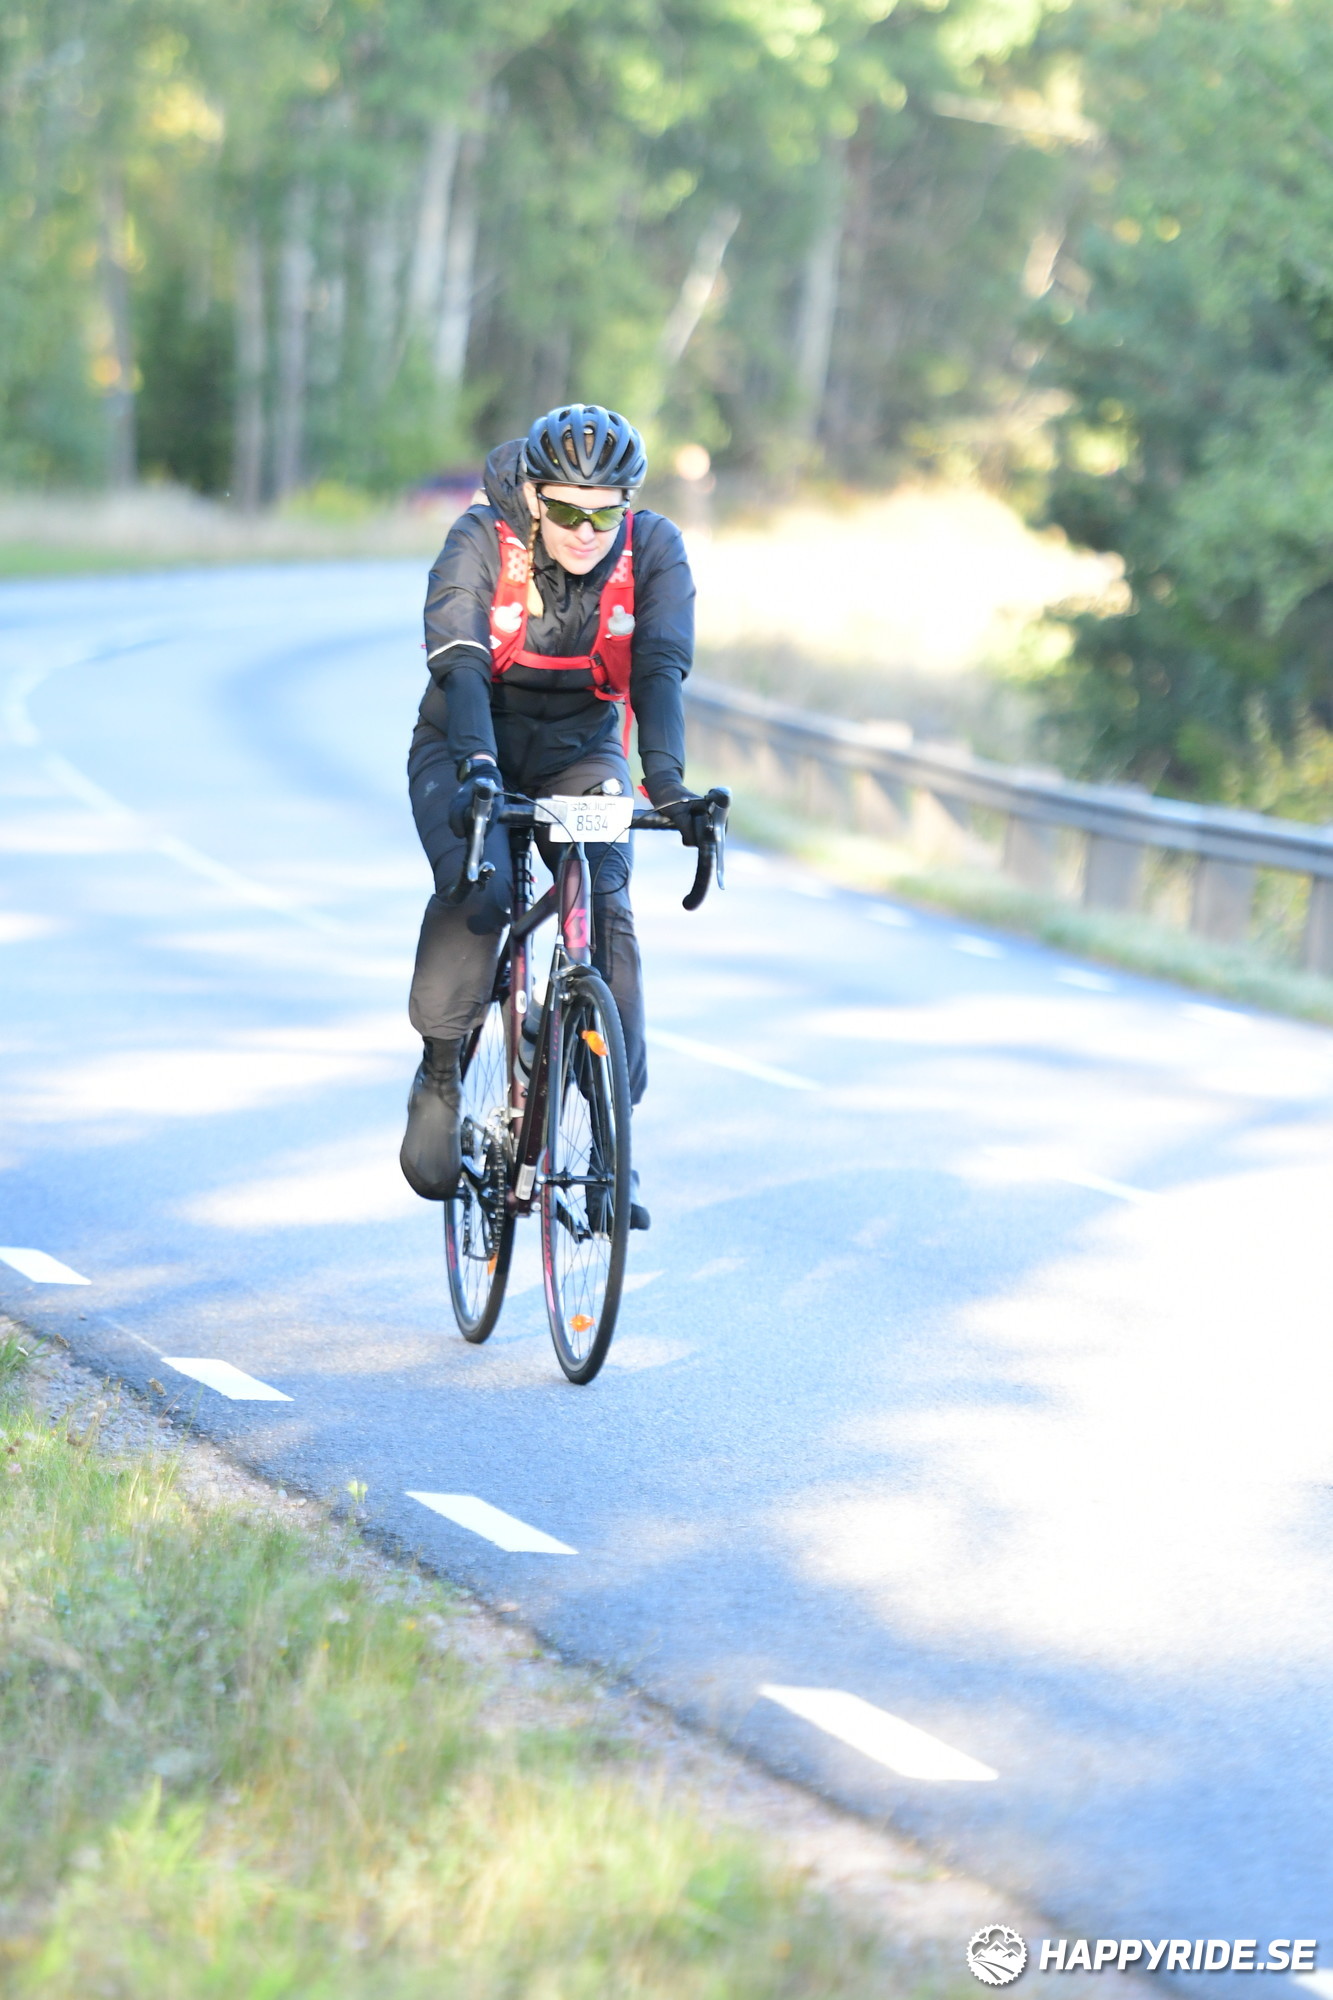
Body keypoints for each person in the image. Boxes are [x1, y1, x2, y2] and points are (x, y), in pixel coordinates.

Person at [400, 403, 706, 1228]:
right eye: (568, 511)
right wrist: (477, 768)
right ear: (534, 497)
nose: (585, 531)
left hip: (580, 748)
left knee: (607, 912)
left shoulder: (653, 550)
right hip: (468, 738)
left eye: (605, 514)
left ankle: (611, 1140)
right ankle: (439, 1069)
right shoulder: (479, 537)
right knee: (482, 887)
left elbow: (659, 672)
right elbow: (461, 662)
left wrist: (668, 787)